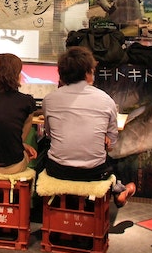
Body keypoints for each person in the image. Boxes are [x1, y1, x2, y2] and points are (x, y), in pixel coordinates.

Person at [42, 46, 136, 207]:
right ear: (87, 73)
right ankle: (118, 188)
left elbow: (50, 135)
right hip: (94, 172)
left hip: (57, 170)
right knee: (108, 156)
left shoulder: (49, 100)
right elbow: (112, 145)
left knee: (43, 147)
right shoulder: (106, 100)